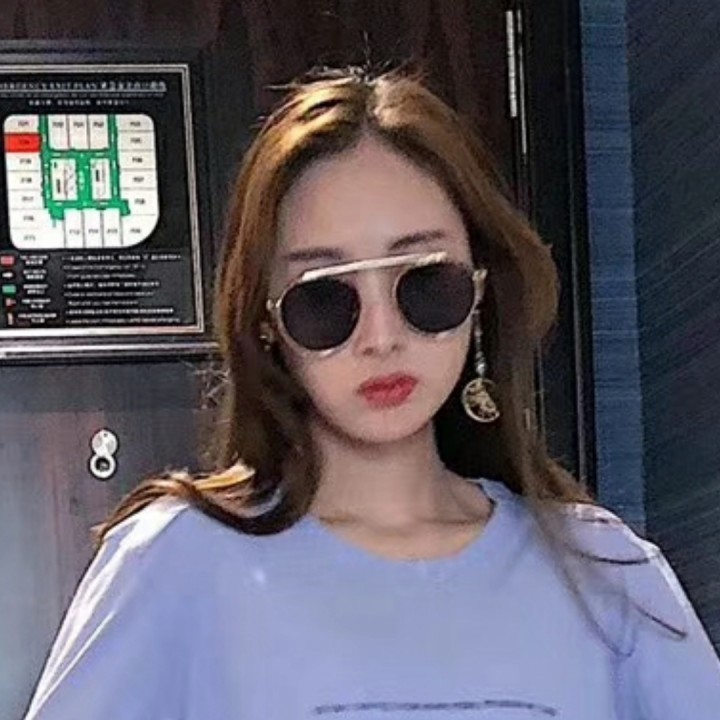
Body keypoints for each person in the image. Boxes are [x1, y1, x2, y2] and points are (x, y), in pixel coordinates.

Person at [24, 66, 720, 719]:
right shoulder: (173, 563)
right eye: (325, 298)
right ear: (266, 321)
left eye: (425, 282)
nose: (381, 336)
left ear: (480, 289)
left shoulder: (605, 573)